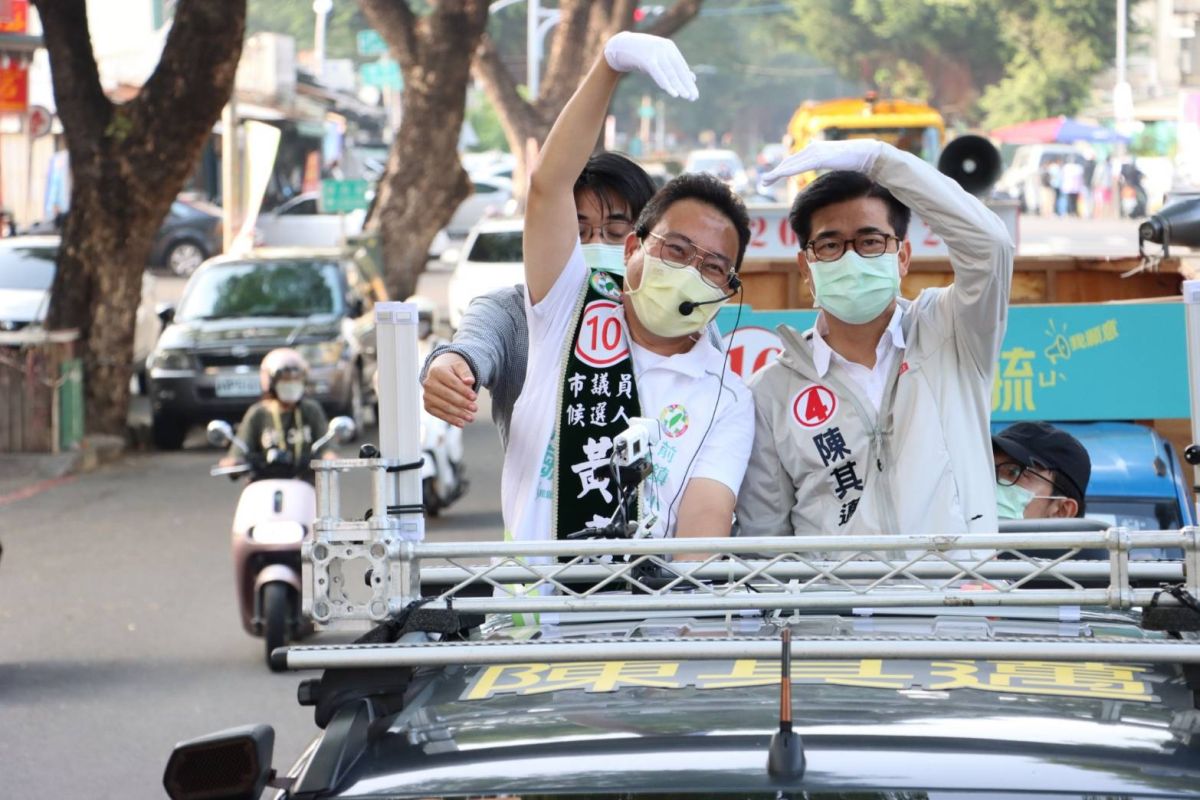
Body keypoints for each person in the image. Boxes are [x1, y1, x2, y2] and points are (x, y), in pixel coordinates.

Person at [505, 31, 754, 544]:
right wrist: (608, 65)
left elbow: (704, 523)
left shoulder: (726, 396)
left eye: (712, 267)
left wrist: (690, 616)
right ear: (633, 249)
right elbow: (548, 185)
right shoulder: (568, 310)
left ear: (728, 290)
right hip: (537, 617)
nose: (688, 272)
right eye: (676, 250)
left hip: (654, 616)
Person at [735, 137, 1014, 537]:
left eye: (870, 241)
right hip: (837, 600)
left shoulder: (953, 330)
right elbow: (766, 539)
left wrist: (882, 161)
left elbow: (991, 246)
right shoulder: (771, 392)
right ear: (805, 266)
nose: (851, 258)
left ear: (902, 257)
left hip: (956, 594)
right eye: (830, 245)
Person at [421, 152, 657, 448]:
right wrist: (448, 366)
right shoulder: (511, 312)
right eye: (578, 232)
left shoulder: (671, 318)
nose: (596, 244)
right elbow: (472, 345)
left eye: (616, 232)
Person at [218, 348, 336, 478]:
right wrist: (233, 462)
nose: (290, 385)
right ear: (271, 382)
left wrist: (329, 457)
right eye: (285, 380)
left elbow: (326, 448)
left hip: (304, 483)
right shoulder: (258, 413)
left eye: (295, 380)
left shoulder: (311, 409)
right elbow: (240, 449)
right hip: (264, 485)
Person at [993, 421, 1091, 520]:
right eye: (990, 472)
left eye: (1013, 472)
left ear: (1061, 511)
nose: (992, 483)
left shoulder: (1106, 535)